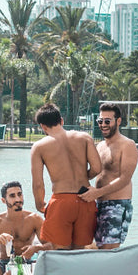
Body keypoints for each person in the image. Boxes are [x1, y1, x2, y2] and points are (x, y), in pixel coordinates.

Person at [30, 103, 102, 250]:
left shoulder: (39, 147)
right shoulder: (84, 138)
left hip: (61, 201)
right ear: (61, 121)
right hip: (85, 198)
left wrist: (40, 205)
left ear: (43, 126)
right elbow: (97, 168)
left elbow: (38, 184)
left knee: (60, 252)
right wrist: (83, 177)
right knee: (79, 252)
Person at [85, 103, 138, 250]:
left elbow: (124, 179)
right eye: (100, 121)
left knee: (108, 250)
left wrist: (97, 193)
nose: (103, 125)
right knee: (91, 247)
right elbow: (93, 172)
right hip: (98, 203)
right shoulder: (100, 146)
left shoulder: (127, 145)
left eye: (107, 121)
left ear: (118, 121)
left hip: (117, 204)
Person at [0, 181, 45, 266]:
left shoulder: (34, 219)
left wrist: (36, 248)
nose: (18, 199)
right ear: (3, 200)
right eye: (12, 196)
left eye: (19, 194)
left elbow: (52, 246)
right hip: (4, 263)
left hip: (26, 262)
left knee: (45, 263)